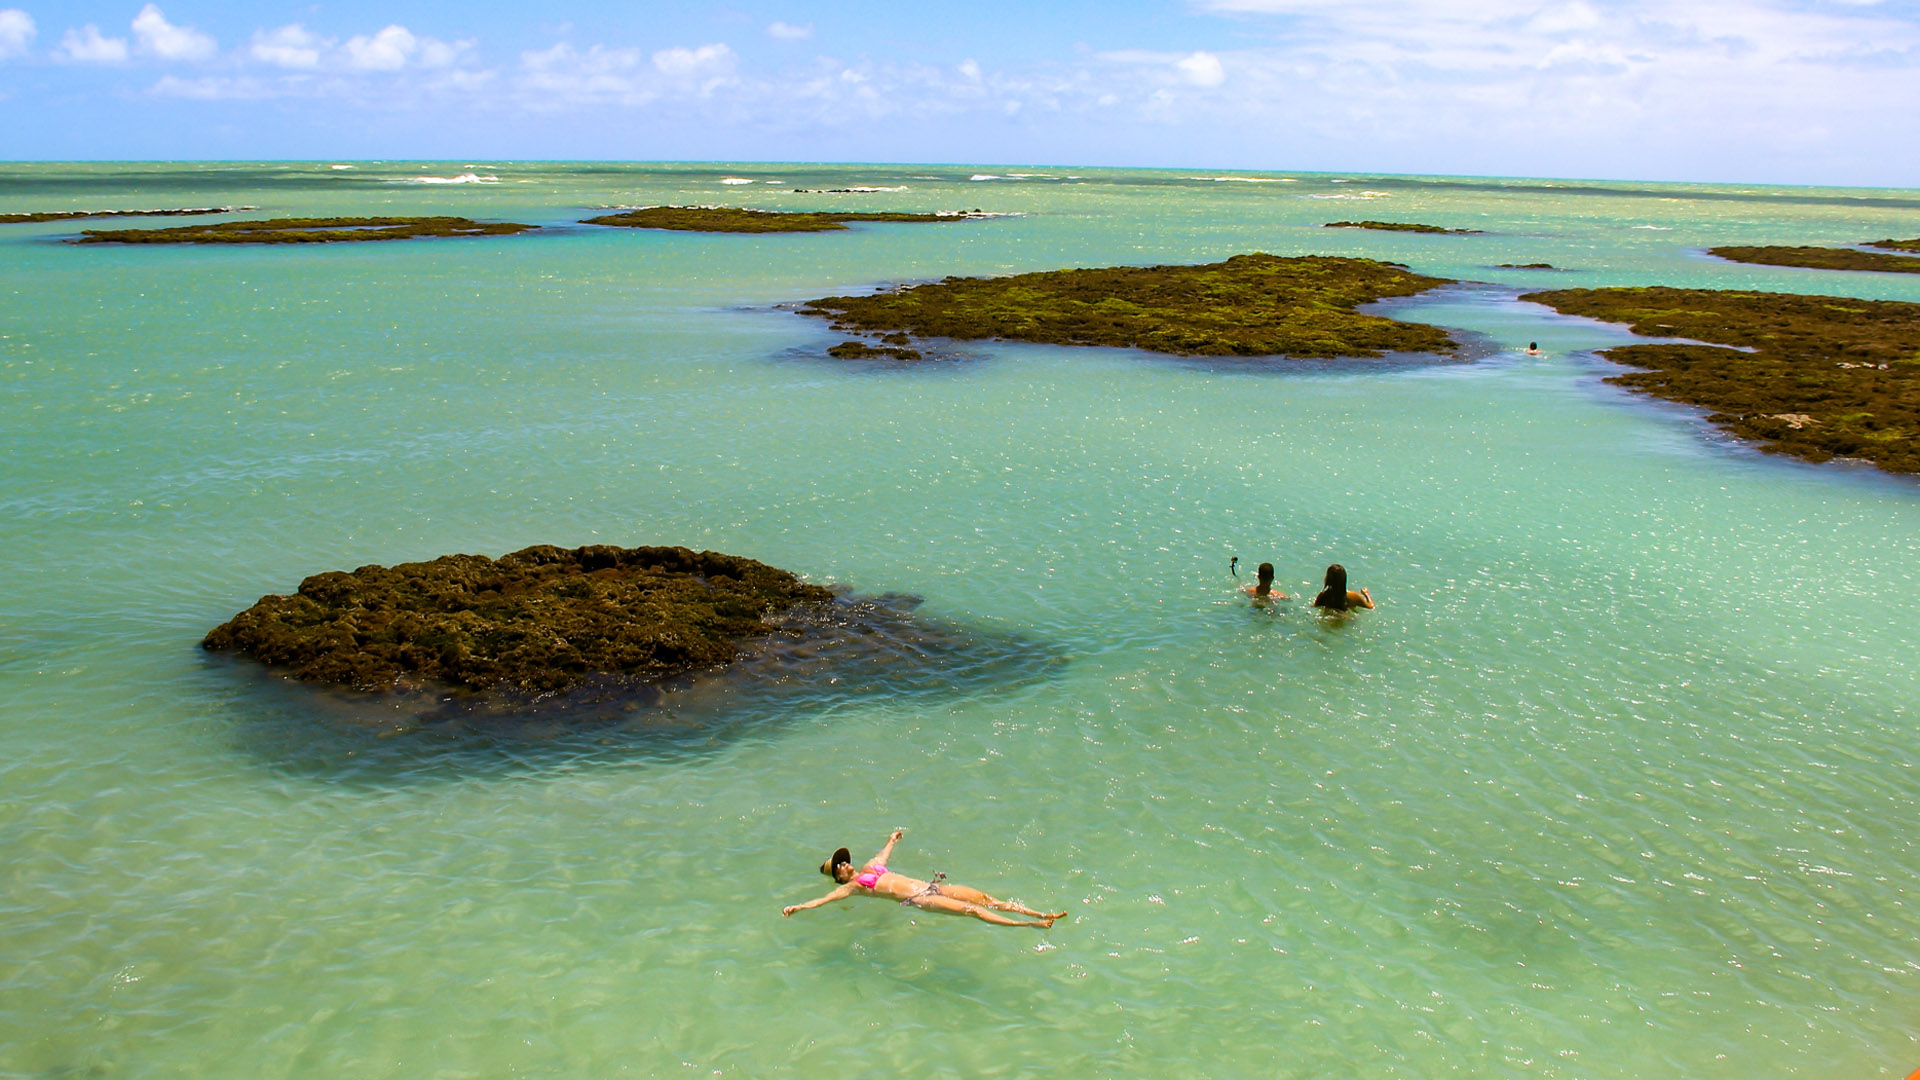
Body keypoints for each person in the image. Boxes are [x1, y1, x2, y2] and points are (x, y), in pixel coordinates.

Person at [782, 830, 1065, 930]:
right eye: (839, 866)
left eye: (843, 860)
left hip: (932, 887)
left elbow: (883, 856)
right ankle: (1031, 924)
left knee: (986, 899)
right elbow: (824, 899)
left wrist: (891, 840)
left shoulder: (870, 866)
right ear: (838, 877)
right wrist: (799, 907)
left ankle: (1041, 912)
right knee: (973, 911)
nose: (844, 864)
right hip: (920, 899)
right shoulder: (854, 887)